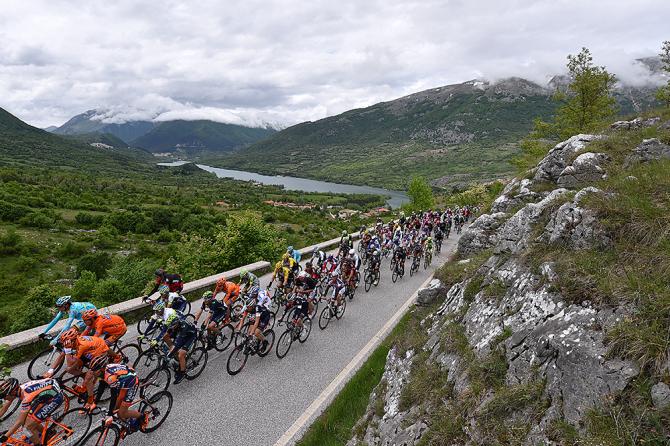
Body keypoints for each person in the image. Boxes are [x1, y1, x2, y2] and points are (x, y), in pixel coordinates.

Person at [57, 328, 115, 410]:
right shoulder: (75, 342)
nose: (66, 344)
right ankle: (88, 382)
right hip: (90, 351)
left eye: (67, 343)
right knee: (69, 370)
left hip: (99, 352)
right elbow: (69, 364)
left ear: (73, 341)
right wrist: (50, 371)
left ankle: (90, 399)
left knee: (89, 376)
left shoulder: (81, 346)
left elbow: (70, 362)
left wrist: (68, 350)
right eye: (65, 343)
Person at [0, 377, 65, 445]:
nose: (4, 399)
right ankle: (48, 434)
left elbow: (20, 421)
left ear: (13, 392)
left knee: (27, 428)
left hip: (55, 398)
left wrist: (5, 436)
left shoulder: (26, 397)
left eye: (4, 396)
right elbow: (4, 408)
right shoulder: (18, 389)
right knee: (27, 418)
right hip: (47, 393)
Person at [92, 358, 148, 432]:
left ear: (101, 370)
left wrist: (110, 415)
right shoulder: (104, 371)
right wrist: (95, 403)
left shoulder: (110, 378)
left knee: (122, 413)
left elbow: (114, 396)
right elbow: (101, 387)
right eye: (92, 371)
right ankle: (127, 423)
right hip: (123, 381)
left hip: (131, 383)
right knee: (116, 409)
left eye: (94, 371)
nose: (93, 373)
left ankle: (143, 417)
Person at [160, 311, 197, 384]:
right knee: (166, 337)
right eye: (170, 326)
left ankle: (182, 373)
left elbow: (177, 342)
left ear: (177, 323)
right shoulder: (174, 324)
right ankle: (175, 355)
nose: (171, 327)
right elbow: (166, 334)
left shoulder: (183, 327)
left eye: (172, 326)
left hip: (190, 336)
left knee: (181, 353)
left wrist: (168, 356)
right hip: (180, 332)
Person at [246, 287, 273, 352]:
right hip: (259, 315)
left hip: (265, 317)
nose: (247, 309)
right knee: (249, 331)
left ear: (252, 306)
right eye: (247, 307)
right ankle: (252, 344)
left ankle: (265, 342)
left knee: (256, 332)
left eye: (249, 307)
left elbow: (257, 321)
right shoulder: (250, 307)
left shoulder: (257, 308)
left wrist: (252, 333)